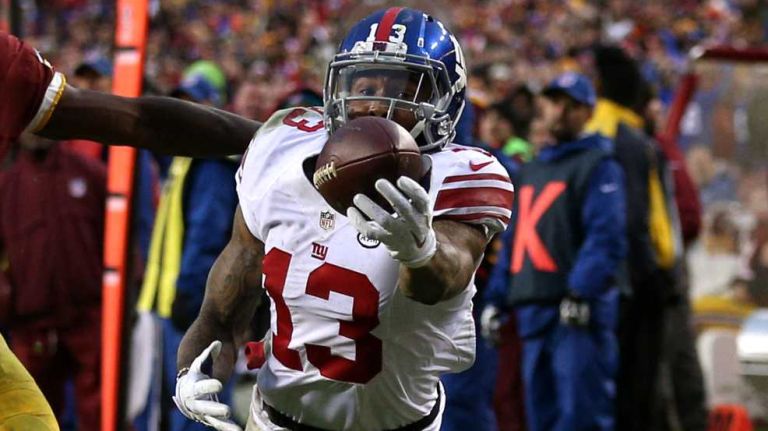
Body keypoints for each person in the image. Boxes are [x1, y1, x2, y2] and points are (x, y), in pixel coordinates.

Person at [0, 8, 514, 431]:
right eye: (363, 85)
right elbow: (225, 308)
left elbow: (441, 278)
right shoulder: (283, 148)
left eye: (400, 88)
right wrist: (194, 370)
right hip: (276, 420)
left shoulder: (464, 173)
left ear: (443, 101)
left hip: (399, 423)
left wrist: (418, 247)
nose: (373, 105)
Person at [489, 72, 627, 431]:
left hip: (576, 315)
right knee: (541, 415)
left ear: (587, 112)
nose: (561, 112)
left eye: (572, 105)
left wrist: (583, 290)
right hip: (532, 313)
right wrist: (496, 298)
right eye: (554, 102)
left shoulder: (599, 165)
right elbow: (515, 241)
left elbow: (606, 235)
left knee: (581, 416)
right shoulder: (533, 170)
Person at [134, 77, 240, 431]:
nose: (184, 116)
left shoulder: (211, 163)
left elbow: (206, 233)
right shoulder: (186, 157)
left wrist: (190, 293)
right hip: (171, 302)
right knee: (183, 403)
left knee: (198, 408)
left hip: (193, 307)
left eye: (192, 106)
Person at [0, 131, 106, 431]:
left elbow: (121, 239)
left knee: (98, 408)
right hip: (31, 324)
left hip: (88, 317)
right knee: (31, 411)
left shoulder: (90, 173)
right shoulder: (7, 185)